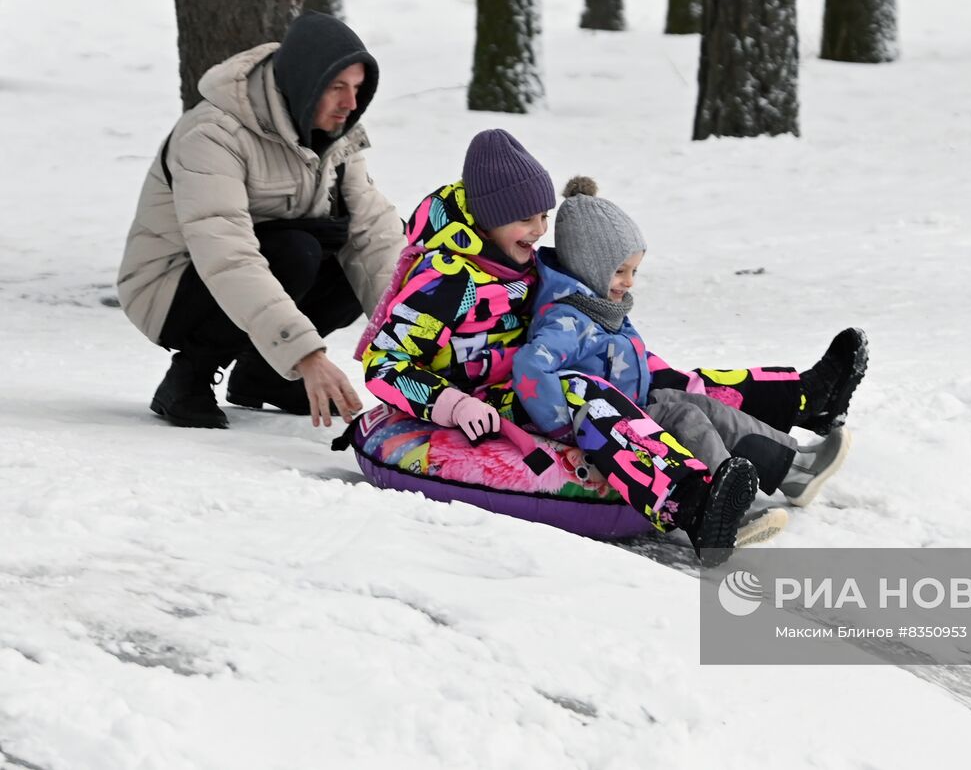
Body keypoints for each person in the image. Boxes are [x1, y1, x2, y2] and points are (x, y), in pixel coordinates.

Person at [359, 129, 867, 564]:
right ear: (491, 216)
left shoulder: (520, 259)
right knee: (590, 391)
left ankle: (803, 398)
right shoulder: (447, 281)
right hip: (493, 399)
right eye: (527, 219)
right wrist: (452, 402)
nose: (539, 230)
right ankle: (691, 501)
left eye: (544, 216)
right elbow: (386, 364)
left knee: (657, 376)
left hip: (544, 373)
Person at [117, 11, 404, 430]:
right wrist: (306, 354)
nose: (350, 103)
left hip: (261, 269)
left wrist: (413, 345)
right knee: (296, 252)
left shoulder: (336, 137)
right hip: (169, 287)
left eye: (358, 88)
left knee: (355, 252)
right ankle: (190, 375)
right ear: (304, 82)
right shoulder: (213, 134)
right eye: (337, 87)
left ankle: (265, 375)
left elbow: (376, 239)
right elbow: (227, 256)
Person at [513, 176, 854, 513]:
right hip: (616, 424)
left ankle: (795, 467)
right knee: (688, 420)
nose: (629, 282)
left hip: (638, 403)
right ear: (589, 266)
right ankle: (727, 499)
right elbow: (532, 365)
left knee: (703, 407)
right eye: (620, 271)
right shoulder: (567, 319)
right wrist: (560, 426)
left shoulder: (601, 305)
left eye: (634, 271)